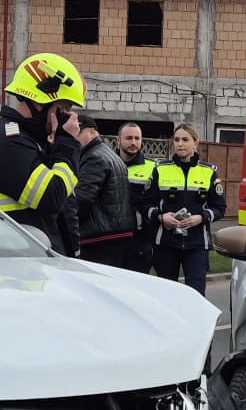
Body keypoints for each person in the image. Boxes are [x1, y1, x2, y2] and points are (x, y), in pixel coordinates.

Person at [0, 53, 85, 253]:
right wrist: (67, 143)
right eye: (64, 108)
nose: (70, 117)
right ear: (41, 102)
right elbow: (53, 196)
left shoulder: (24, 138)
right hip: (17, 268)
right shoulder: (10, 140)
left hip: (27, 257)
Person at [146, 123, 225, 292]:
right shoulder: (160, 170)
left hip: (197, 245)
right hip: (166, 244)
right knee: (167, 295)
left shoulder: (209, 172)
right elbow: (145, 204)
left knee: (196, 294)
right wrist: (161, 217)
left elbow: (219, 208)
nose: (180, 144)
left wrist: (201, 218)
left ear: (195, 143)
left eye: (185, 140)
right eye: (176, 140)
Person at [72, 112, 134, 266]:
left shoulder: (94, 157)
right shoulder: (108, 154)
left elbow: (83, 199)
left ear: (92, 132)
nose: (73, 137)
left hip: (99, 237)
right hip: (114, 233)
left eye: (78, 132)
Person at [117, 122, 156, 274]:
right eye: (128, 138)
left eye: (137, 138)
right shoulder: (106, 163)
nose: (133, 142)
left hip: (140, 238)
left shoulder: (154, 167)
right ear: (118, 140)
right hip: (111, 236)